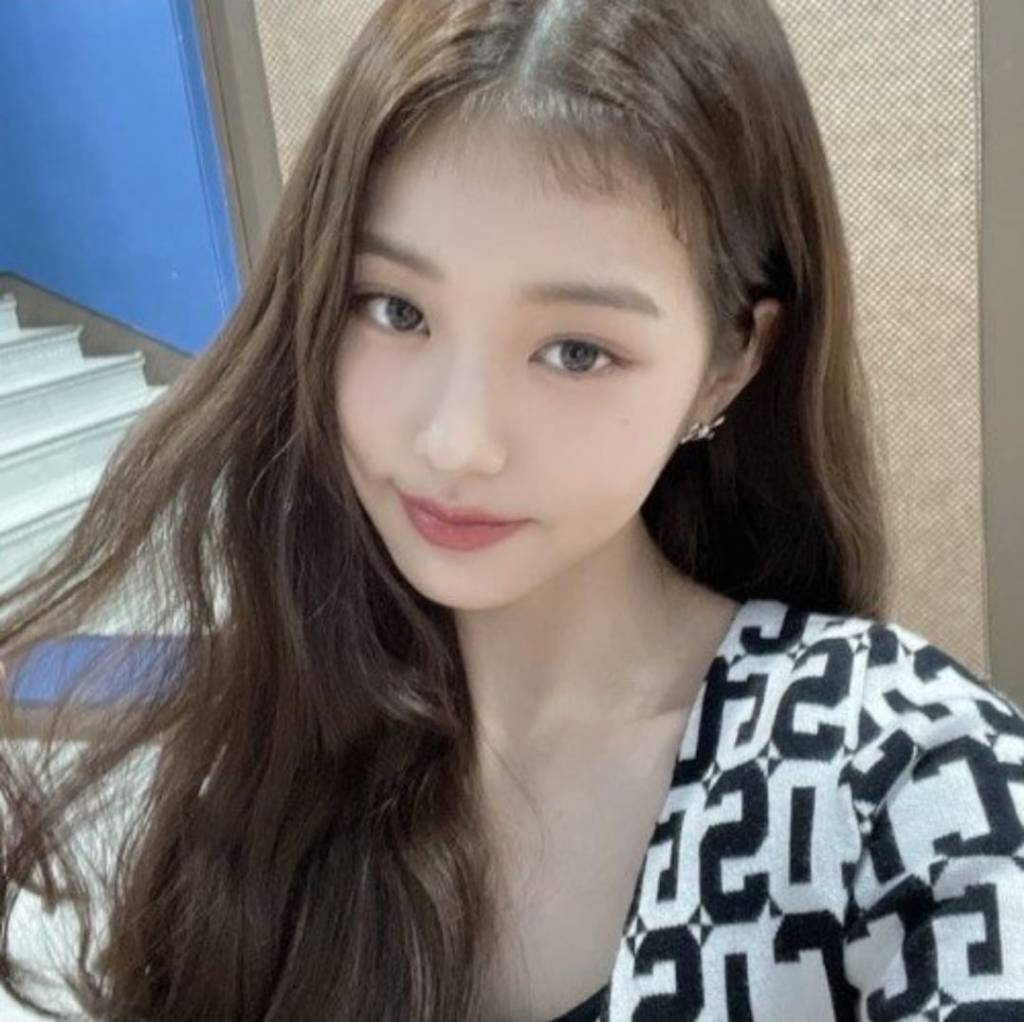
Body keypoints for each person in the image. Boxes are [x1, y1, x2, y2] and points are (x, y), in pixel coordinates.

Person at [1, 0, 1021, 1019]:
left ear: (729, 362)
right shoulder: (277, 741)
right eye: (396, 309)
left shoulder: (900, 776)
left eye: (575, 350)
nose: (456, 442)